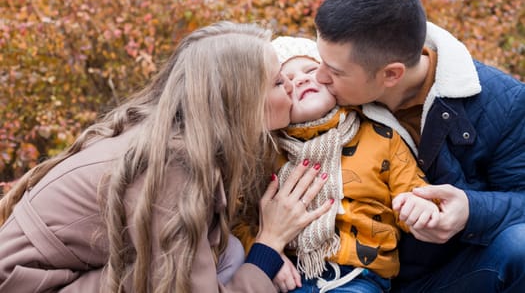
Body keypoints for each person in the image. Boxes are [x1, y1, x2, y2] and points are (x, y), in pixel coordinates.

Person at [0, 21, 334, 293]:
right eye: (278, 81)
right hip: (31, 285)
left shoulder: (174, 134)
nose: (291, 85)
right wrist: (269, 243)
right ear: (241, 103)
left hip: (48, 272)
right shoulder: (171, 171)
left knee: (227, 251)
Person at [314, 0, 525, 292]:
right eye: (320, 61)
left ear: (391, 74)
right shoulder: (316, 92)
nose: (318, 76)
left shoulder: (504, 103)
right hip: (341, 273)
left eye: (335, 72)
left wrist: (470, 210)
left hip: (449, 275)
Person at [236, 36, 440, 293]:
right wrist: (266, 259)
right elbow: (239, 220)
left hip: (359, 275)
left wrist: (418, 206)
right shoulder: (266, 153)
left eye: (311, 71)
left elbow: (413, 189)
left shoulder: (381, 137)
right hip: (290, 274)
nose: (300, 80)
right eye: (285, 82)